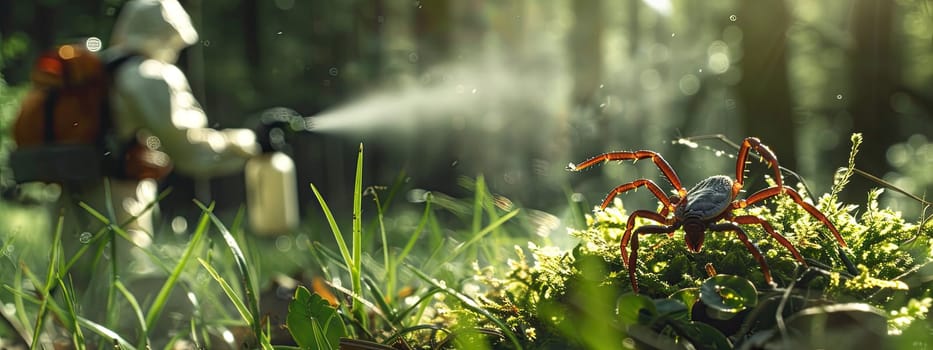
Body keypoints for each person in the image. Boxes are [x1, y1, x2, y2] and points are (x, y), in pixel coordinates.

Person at [58, 0, 259, 283]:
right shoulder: (148, 75)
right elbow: (190, 150)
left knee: (75, 281)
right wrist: (246, 144)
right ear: (168, 33)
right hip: (120, 196)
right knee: (125, 281)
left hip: (72, 190)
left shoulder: (100, 67)